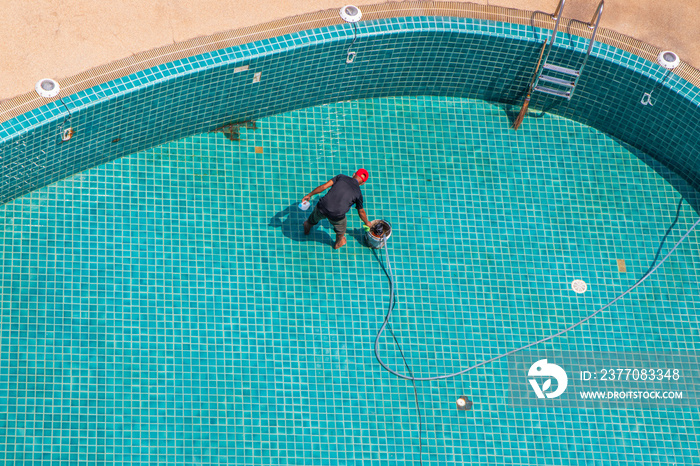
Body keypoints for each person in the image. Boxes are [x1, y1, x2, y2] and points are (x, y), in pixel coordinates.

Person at [302, 169, 371, 249]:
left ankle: (307, 226)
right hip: (336, 215)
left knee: (313, 218)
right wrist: (367, 222)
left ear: (353, 174)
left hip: (322, 207)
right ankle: (338, 244)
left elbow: (323, 186)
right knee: (341, 232)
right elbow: (361, 211)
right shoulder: (358, 194)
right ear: (363, 183)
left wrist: (309, 195)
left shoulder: (341, 177)